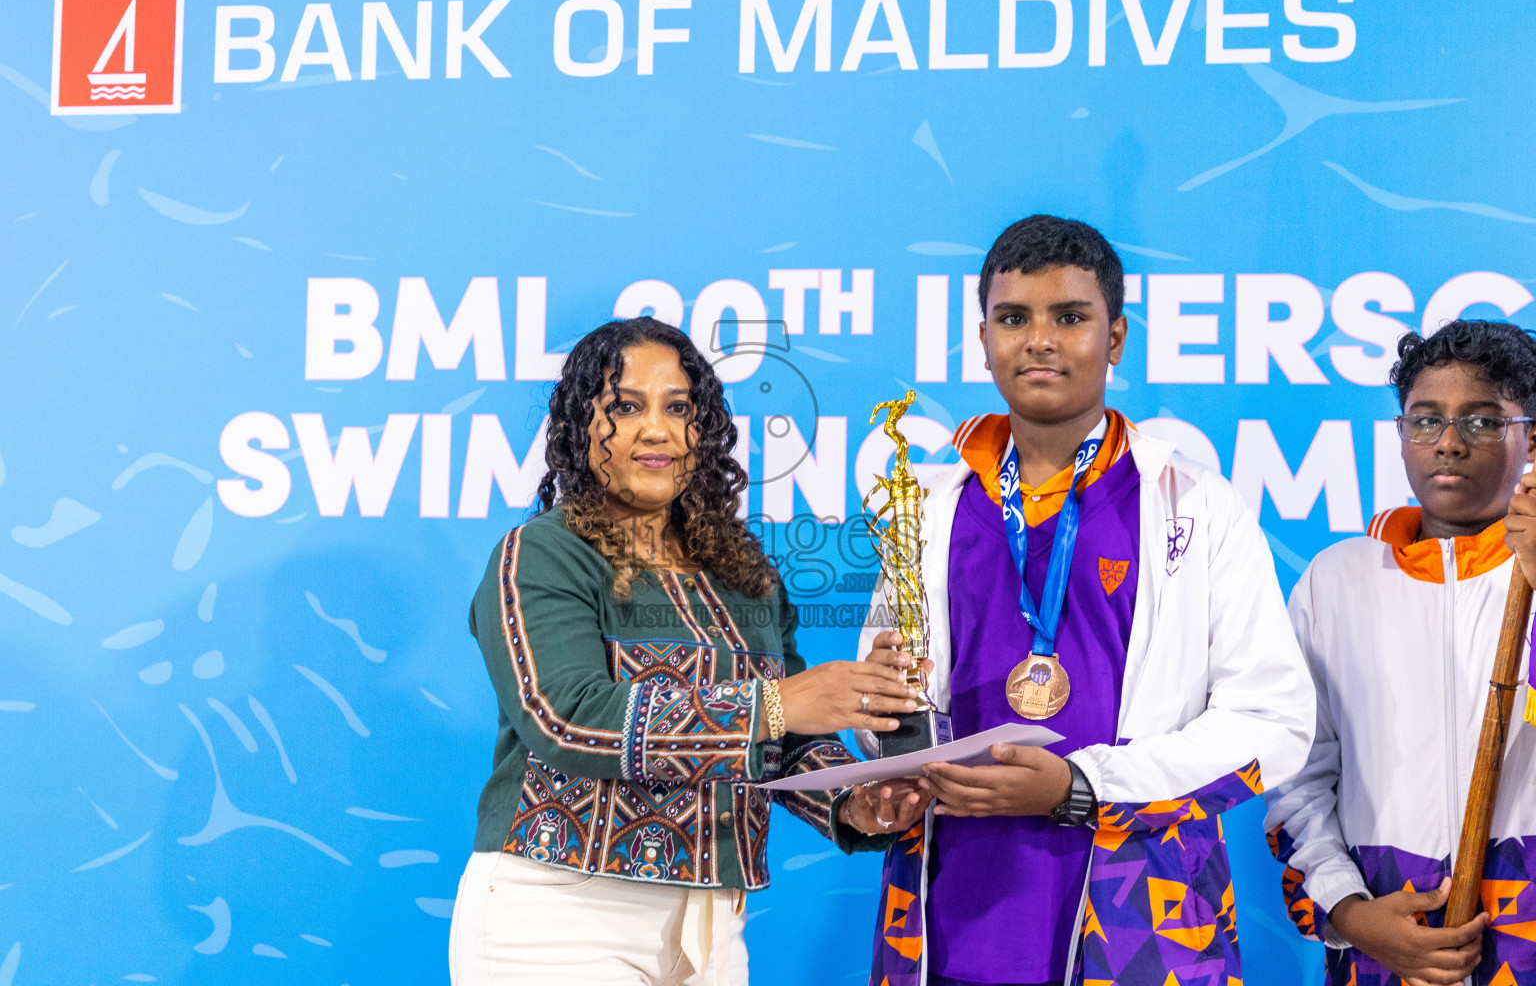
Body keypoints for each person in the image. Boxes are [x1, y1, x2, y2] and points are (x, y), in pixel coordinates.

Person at [855, 215, 1316, 986]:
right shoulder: (925, 510)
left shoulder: (1197, 506)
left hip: (1142, 915)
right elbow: (883, 723)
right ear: (982, 339)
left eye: (1069, 317)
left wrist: (1082, 786)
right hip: (952, 909)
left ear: (1116, 338)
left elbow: (1272, 723)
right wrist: (887, 729)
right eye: (1014, 318)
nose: (1039, 339)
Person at [450, 316, 928, 986]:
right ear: (577, 427)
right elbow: (566, 718)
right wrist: (777, 702)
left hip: (712, 926)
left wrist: (855, 802)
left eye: (679, 408)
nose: (657, 429)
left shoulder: (742, 572)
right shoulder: (542, 554)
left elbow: (785, 737)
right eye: (625, 406)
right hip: (560, 915)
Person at [1264, 319, 1536, 986]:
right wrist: (1349, 913)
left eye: (1481, 422)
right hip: (1387, 936)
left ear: (1530, 436)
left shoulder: (1530, 575)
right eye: (1425, 420)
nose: (1448, 443)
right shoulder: (1338, 581)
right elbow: (1294, 775)